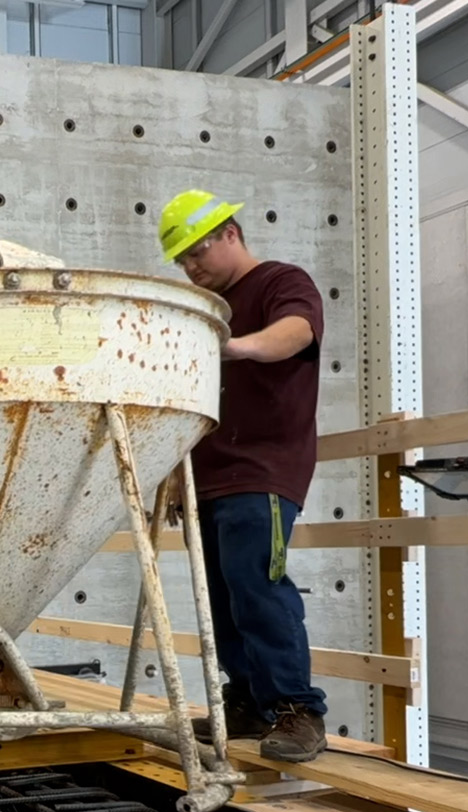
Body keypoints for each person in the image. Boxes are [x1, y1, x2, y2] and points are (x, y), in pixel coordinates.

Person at [158, 189, 328, 762]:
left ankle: (297, 709)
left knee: (258, 583)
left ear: (230, 233)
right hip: (209, 474)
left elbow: (297, 333)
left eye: (196, 252)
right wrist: (175, 472)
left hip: (263, 470)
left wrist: (236, 347)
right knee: (223, 594)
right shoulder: (201, 308)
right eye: (181, 261)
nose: (191, 267)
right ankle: (249, 702)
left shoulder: (282, 281)